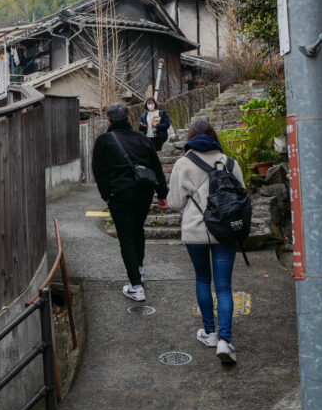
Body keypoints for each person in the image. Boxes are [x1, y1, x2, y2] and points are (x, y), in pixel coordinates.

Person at [166, 119, 246, 364]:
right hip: (225, 233)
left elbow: (175, 203)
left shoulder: (183, 163)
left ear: (190, 137)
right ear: (214, 136)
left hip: (195, 232)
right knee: (223, 287)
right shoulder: (230, 163)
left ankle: (209, 332)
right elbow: (242, 195)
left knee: (202, 279)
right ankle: (224, 340)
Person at [92, 103, 169, 303]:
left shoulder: (103, 141)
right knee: (138, 231)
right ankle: (139, 271)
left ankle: (136, 287)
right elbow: (156, 167)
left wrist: (106, 196)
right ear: (128, 120)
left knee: (126, 237)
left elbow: (99, 172)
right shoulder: (142, 138)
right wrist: (162, 194)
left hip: (119, 195)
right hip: (144, 192)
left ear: (108, 122)